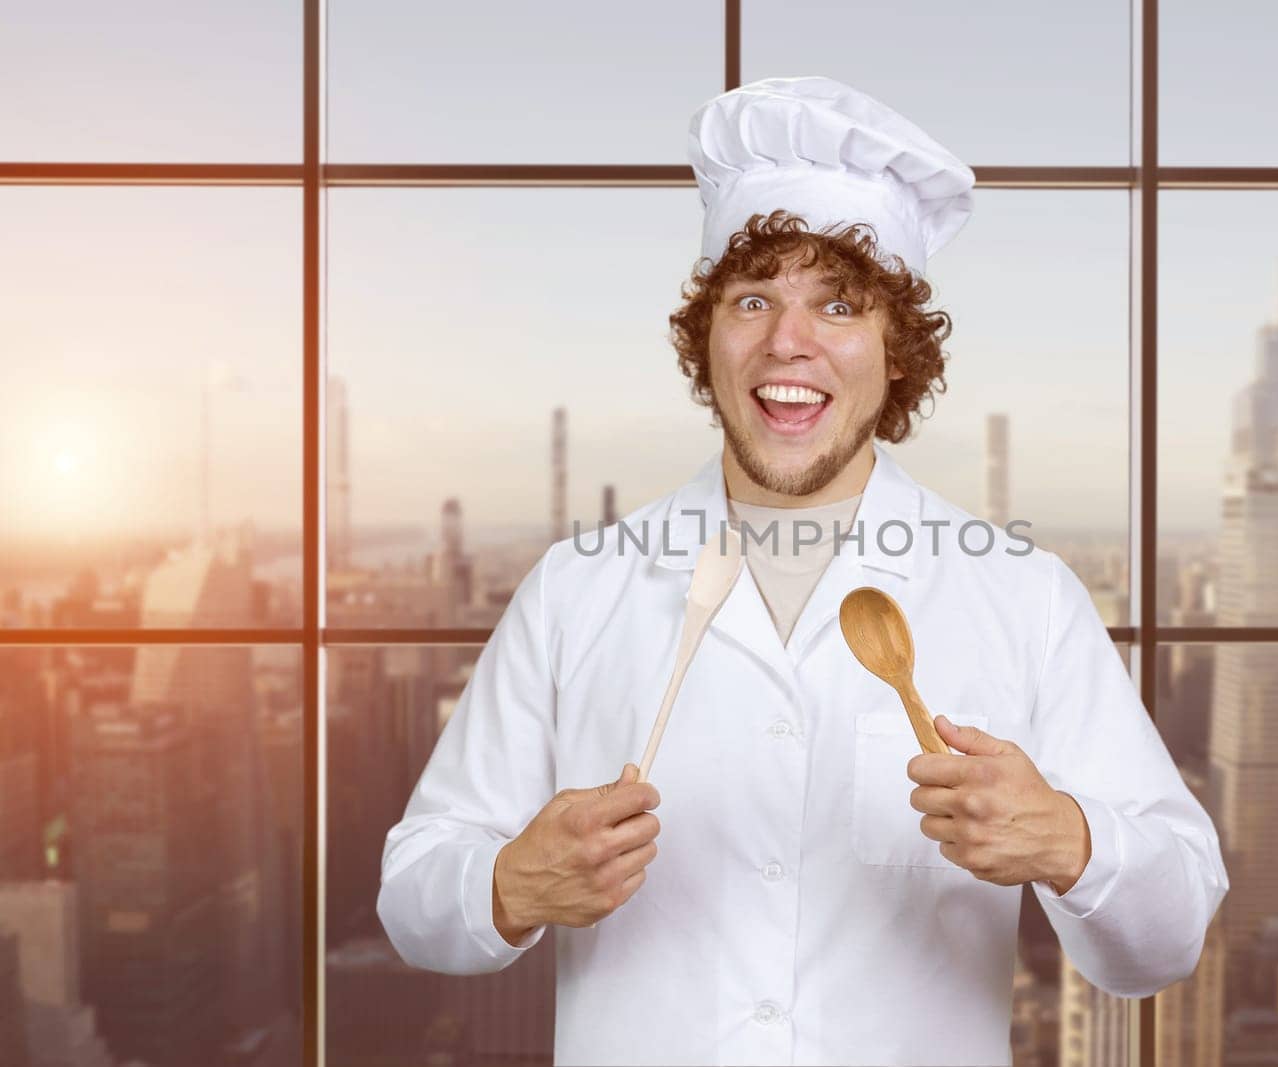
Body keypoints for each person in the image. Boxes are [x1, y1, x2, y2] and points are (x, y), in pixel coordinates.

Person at [377, 75, 1227, 1067]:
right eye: (751, 299)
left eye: (839, 303)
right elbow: (413, 891)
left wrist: (1072, 841)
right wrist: (508, 885)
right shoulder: (577, 589)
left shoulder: (1019, 594)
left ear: (896, 352)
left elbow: (1168, 932)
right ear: (707, 337)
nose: (789, 340)